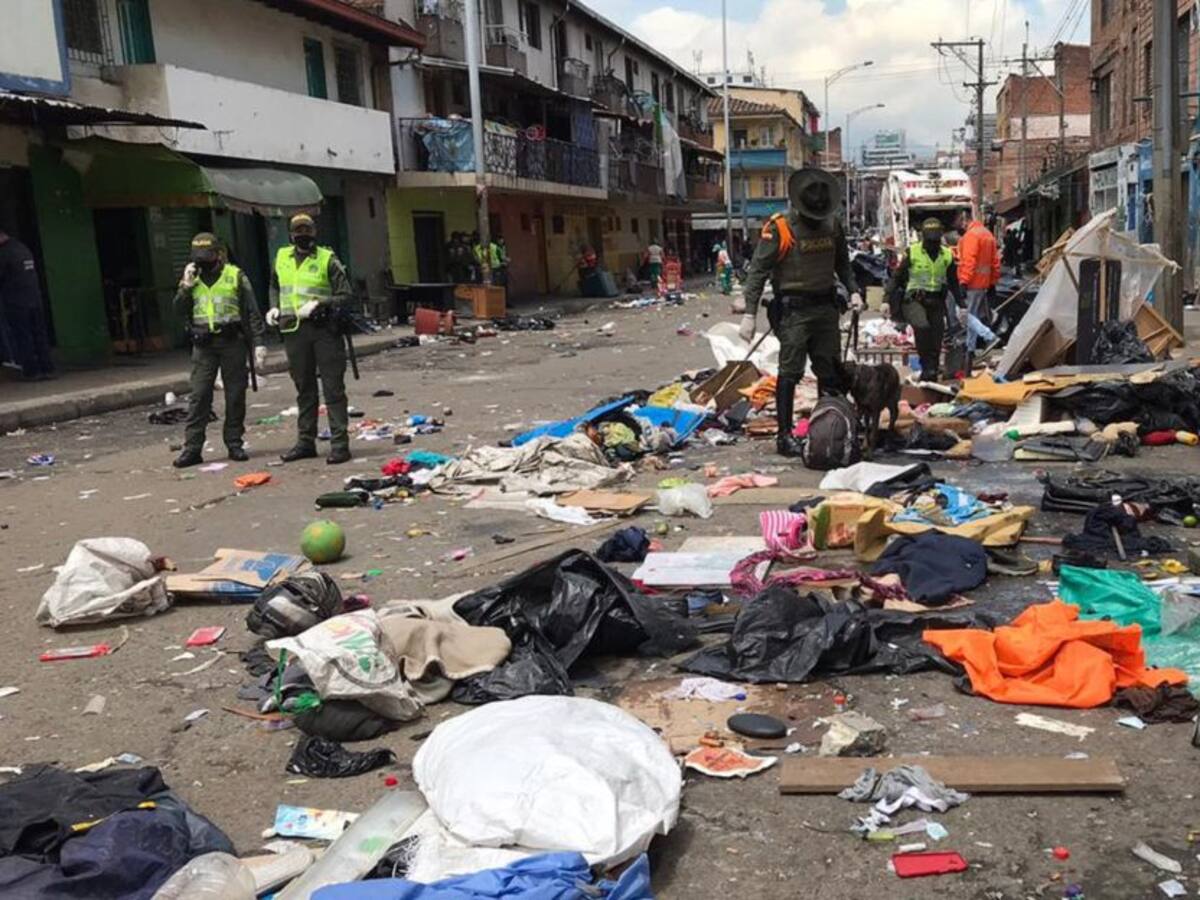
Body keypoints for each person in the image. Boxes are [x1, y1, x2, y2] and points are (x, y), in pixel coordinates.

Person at [740, 168, 863, 457]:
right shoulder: (780, 227)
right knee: (790, 371)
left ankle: (827, 429)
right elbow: (758, 271)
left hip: (826, 308)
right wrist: (749, 312)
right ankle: (784, 436)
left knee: (829, 371)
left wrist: (854, 289)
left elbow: (842, 263)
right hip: (794, 310)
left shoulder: (832, 225)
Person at [267, 213, 354, 465]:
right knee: (304, 388)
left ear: (314, 232)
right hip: (293, 330)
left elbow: (346, 295)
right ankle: (305, 442)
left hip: (324, 329)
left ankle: (340, 445)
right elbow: (274, 285)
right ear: (291, 234)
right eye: (297, 231)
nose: (302, 235)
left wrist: (320, 304)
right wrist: (273, 307)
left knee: (332, 388)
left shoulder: (327, 259)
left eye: (306, 230)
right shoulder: (281, 257)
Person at [172, 233, 266, 468]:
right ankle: (192, 448)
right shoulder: (191, 279)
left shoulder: (235, 276)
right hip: (203, 346)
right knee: (199, 396)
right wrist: (185, 286)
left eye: (207, 256)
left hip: (231, 342)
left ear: (218, 254)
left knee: (235, 394)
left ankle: (234, 442)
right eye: (198, 257)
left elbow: (252, 310)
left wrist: (259, 342)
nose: (203, 261)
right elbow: (177, 309)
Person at [886, 218, 967, 382]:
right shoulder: (913, 252)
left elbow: (953, 282)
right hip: (914, 301)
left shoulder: (946, 255)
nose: (932, 244)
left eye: (935, 240)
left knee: (936, 337)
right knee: (922, 328)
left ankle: (932, 369)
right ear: (923, 237)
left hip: (936, 301)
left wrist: (962, 305)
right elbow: (897, 277)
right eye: (929, 240)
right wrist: (886, 299)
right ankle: (926, 366)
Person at [0, 229, 55, 381]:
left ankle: (32, 371)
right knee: (40, 335)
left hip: (16, 302)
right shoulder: (22, 248)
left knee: (23, 337)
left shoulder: (4, 253)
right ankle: (47, 368)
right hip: (34, 299)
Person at [956, 211, 1002, 355]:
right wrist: (993, 282)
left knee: (963, 314)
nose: (960, 226)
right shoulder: (988, 235)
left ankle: (990, 336)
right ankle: (970, 349)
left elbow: (969, 261)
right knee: (973, 316)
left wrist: (963, 281)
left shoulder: (971, 236)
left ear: (965, 220)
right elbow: (995, 262)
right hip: (983, 283)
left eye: (960, 222)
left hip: (972, 283)